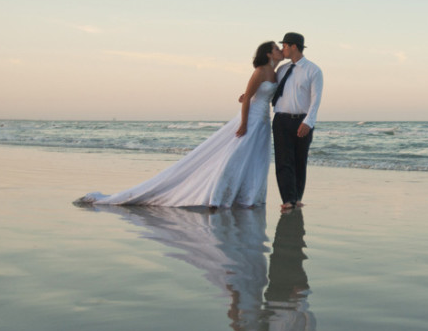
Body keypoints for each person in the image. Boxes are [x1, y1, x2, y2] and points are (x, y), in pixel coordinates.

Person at [77, 41, 284, 208]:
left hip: (264, 121)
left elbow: (252, 95)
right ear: (267, 54)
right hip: (252, 118)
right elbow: (246, 99)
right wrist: (244, 123)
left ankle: (247, 196)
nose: (279, 51)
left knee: (256, 159)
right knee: (235, 155)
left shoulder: (277, 72)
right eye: (276, 48)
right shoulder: (260, 71)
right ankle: (217, 194)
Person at [271, 32, 324, 211]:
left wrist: (308, 122)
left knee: (299, 160)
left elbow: (316, 100)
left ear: (294, 46)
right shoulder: (282, 70)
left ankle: (297, 198)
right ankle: (288, 200)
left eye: (284, 46)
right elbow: (271, 91)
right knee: (283, 161)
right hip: (280, 120)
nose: (282, 49)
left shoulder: (313, 70)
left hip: (302, 120)